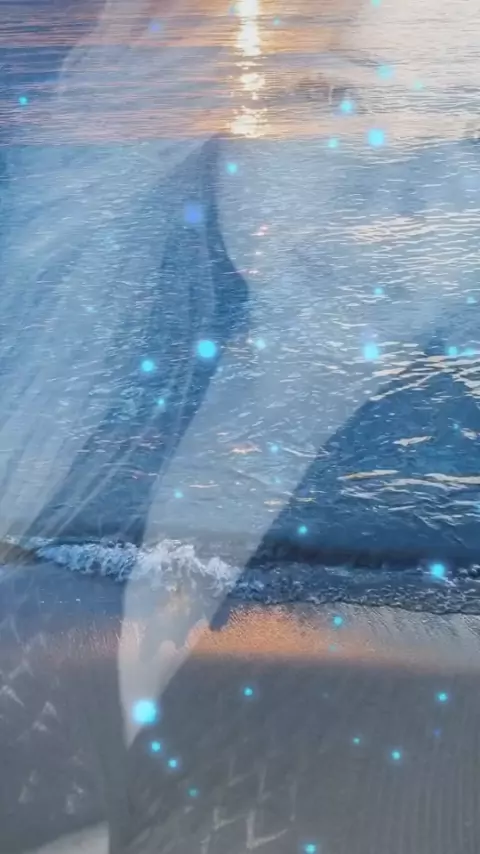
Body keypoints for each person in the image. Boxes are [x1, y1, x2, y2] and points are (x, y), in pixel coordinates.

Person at [2, 0, 480, 851]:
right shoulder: (95, 434)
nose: (398, 188)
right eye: (324, 95)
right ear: (211, 129)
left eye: (467, 117)